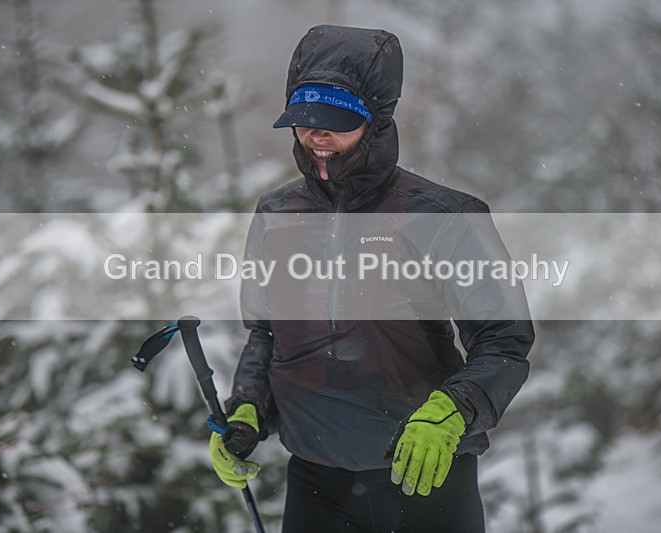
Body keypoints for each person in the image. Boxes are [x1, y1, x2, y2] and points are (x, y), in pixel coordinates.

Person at [209, 25, 535, 532]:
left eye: (336, 122)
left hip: (423, 476)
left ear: (377, 122)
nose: (317, 135)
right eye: (304, 120)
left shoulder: (443, 216)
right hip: (315, 483)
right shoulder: (276, 214)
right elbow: (267, 332)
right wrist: (248, 408)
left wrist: (451, 409)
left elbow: (504, 341)